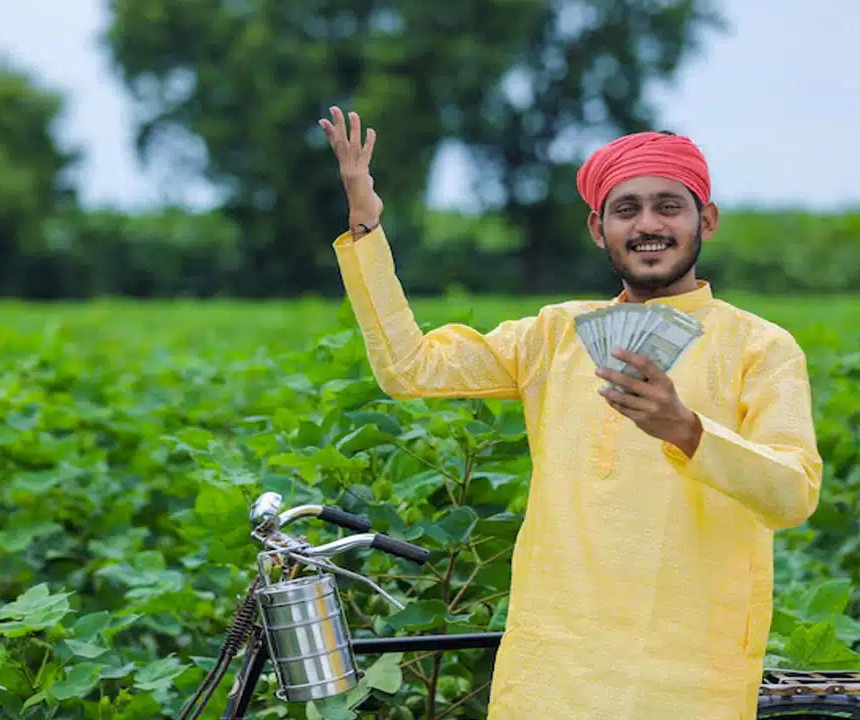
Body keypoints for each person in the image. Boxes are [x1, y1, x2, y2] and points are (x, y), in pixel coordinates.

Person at [318, 106, 823, 720]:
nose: (648, 225)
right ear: (597, 227)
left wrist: (687, 432)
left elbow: (792, 495)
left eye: (669, 206)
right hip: (554, 664)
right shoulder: (556, 334)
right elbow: (411, 368)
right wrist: (366, 223)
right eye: (627, 209)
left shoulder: (759, 347)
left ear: (705, 220)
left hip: (688, 670)